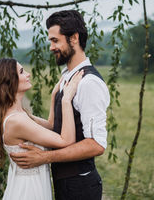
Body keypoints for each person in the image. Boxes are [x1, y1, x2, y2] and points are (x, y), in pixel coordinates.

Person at [10, 10, 110, 200]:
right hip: (64, 182)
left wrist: (44, 157)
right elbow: (54, 126)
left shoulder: (88, 83)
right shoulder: (67, 76)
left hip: (80, 185)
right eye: (50, 41)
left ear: (74, 38)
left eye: (55, 40)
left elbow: (96, 145)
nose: (51, 47)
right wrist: (21, 115)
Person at [0, 57, 83, 200]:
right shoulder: (17, 121)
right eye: (22, 72)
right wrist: (66, 100)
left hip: (32, 183)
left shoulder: (18, 114)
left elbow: (51, 126)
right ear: (9, 81)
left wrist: (55, 95)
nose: (28, 74)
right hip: (28, 190)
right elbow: (66, 141)